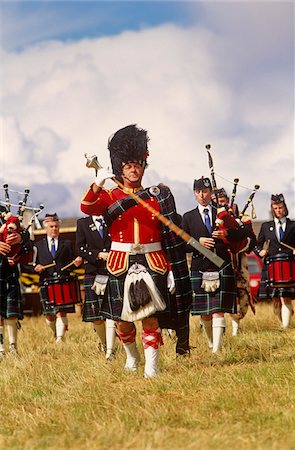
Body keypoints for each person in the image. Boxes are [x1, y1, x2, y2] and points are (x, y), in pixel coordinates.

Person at [81, 124, 192, 377]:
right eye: (128, 165)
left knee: (150, 318)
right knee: (122, 320)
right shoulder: (110, 196)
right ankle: (132, 357)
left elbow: (170, 237)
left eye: (138, 164)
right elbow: (86, 207)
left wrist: (174, 269)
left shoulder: (157, 196)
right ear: (120, 167)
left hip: (153, 261)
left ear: (144, 166)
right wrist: (97, 184)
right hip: (121, 261)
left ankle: (152, 367)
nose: (134, 169)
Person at [182, 177, 248, 353]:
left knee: (218, 310)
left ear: (211, 193)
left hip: (221, 264)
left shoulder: (221, 214)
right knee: (205, 312)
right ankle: (212, 343)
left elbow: (240, 234)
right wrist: (198, 242)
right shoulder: (188, 217)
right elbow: (182, 244)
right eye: (198, 192)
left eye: (205, 191)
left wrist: (225, 233)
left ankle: (216, 350)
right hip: (199, 266)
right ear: (195, 193)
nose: (202, 195)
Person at [33, 213, 81, 342]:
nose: (54, 229)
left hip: (63, 281)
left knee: (61, 311)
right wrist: (36, 267)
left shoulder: (67, 243)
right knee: (50, 315)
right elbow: (31, 264)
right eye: (51, 226)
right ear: (46, 228)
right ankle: (55, 332)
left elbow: (73, 262)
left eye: (56, 226)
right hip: (45, 281)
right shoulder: (38, 246)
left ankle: (60, 339)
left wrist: (76, 263)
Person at [76, 215, 117, 360]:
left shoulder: (111, 219)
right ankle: (105, 343)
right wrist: (98, 254)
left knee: (112, 312)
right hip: (93, 272)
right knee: (96, 316)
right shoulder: (83, 223)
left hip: (113, 270)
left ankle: (110, 351)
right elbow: (80, 248)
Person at [254, 194, 295, 329]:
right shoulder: (266, 226)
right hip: (271, 266)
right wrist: (260, 252)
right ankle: (283, 320)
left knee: (285, 297)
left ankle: (285, 327)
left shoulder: (292, 225)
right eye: (275, 208)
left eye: (280, 207)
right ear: (272, 209)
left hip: (289, 266)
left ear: (285, 208)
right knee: (276, 300)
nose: (278, 210)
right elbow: (258, 245)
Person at [0, 207, 33, 357]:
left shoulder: (3, 211)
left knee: (11, 313)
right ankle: (1, 348)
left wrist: (21, 237)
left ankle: (13, 347)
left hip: (10, 272)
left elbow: (26, 236)